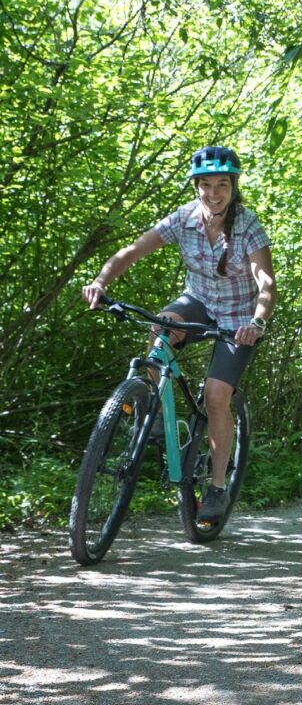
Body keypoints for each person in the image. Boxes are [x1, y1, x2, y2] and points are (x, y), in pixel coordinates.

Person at [82, 145, 276, 521]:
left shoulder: (248, 225)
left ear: (234, 186)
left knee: (217, 395)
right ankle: (154, 414)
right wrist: (100, 281)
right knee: (160, 327)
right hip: (199, 302)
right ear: (196, 186)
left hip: (237, 317)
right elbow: (132, 251)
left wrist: (257, 322)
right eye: (206, 185)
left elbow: (265, 281)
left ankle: (217, 488)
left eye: (222, 184)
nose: (214, 193)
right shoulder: (183, 219)